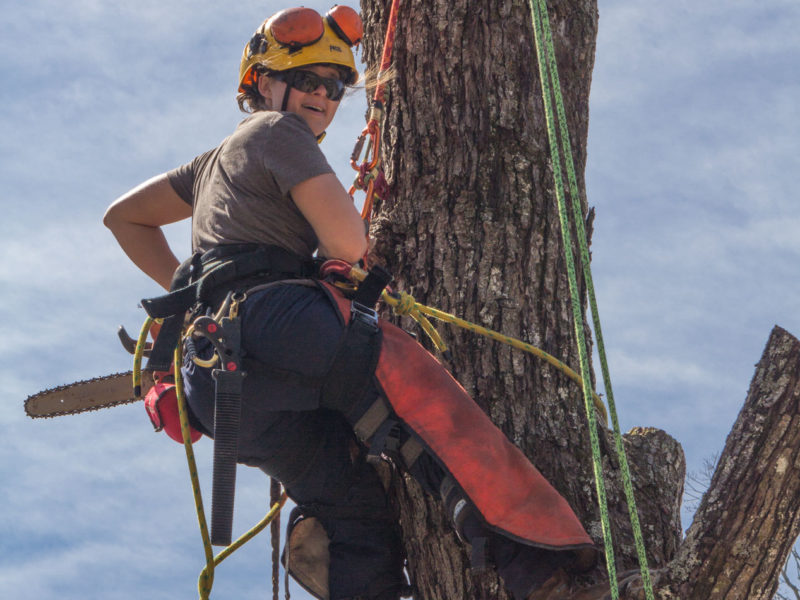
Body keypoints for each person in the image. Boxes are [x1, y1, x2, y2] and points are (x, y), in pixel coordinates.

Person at [104, 6, 612, 600]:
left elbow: (124, 218)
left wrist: (193, 298)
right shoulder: (278, 132)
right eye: (308, 80)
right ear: (263, 82)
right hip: (277, 326)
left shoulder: (213, 164)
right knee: (425, 400)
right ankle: (539, 563)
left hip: (216, 382)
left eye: (335, 86)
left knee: (356, 511)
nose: (323, 95)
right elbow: (348, 244)